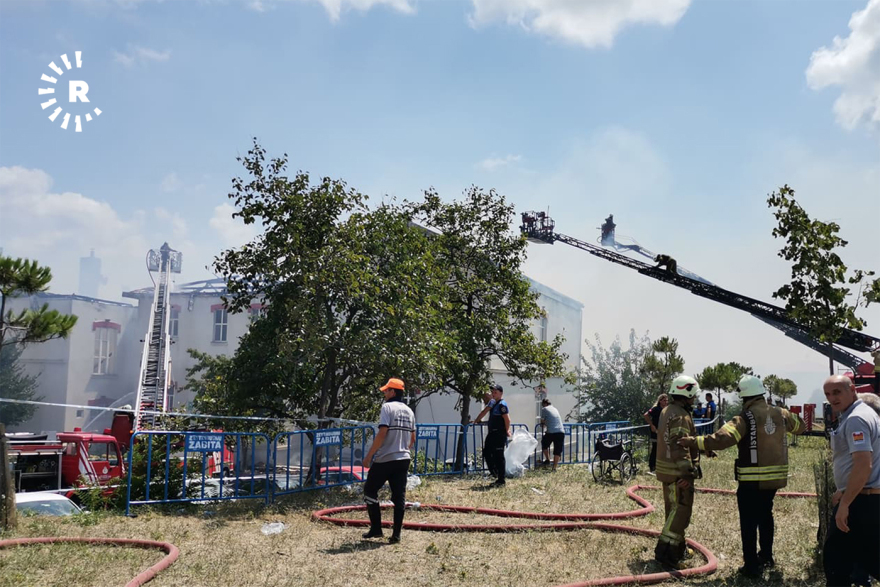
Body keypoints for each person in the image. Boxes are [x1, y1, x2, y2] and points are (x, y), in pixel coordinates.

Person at [679, 375, 806, 578]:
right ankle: (766, 556)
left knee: (748, 523)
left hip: (751, 481)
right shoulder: (781, 413)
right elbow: (801, 427)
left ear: (745, 397)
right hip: (774, 480)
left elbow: (721, 439)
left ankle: (751, 567)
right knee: (766, 515)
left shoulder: (744, 418)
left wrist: (693, 442)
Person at [822, 375, 880, 587]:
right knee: (858, 558)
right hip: (862, 496)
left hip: (861, 502)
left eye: (837, 392)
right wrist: (845, 490)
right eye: (828, 394)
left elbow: (864, 464)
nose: (832, 398)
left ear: (852, 389)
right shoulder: (862, 414)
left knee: (837, 560)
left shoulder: (856, 419)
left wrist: (845, 503)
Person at [362, 377, 416, 544]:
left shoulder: (387, 408)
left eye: (386, 390)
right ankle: (396, 535)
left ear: (393, 392)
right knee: (399, 496)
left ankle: (376, 529)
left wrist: (370, 455)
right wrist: (403, 449)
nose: (384, 393)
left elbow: (382, 432)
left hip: (385, 458)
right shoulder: (409, 411)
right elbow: (412, 438)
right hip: (403, 458)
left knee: (369, 491)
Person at [654, 375, 700, 569]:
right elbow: (679, 445)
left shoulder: (668, 410)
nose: (694, 399)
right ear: (686, 393)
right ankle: (666, 554)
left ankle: (679, 548)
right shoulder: (680, 415)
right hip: (677, 473)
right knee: (680, 511)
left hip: (667, 471)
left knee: (673, 511)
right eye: (693, 395)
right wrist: (687, 473)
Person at [473, 383, 511, 486]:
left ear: (501, 393)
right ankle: (495, 473)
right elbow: (484, 412)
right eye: (492, 392)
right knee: (487, 452)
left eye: (495, 392)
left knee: (499, 456)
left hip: (499, 433)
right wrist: (476, 421)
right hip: (492, 433)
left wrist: (507, 430)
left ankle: (501, 480)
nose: (493, 394)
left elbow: (507, 419)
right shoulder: (492, 403)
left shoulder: (502, 404)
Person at [643, 394, 668, 474]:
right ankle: (652, 467)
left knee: (663, 449)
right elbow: (646, 415)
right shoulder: (655, 409)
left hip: (664, 432)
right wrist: (651, 425)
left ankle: (661, 466)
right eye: (664, 400)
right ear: (660, 401)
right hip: (656, 432)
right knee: (655, 449)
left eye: (667, 400)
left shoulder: (666, 409)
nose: (666, 402)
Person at [540, 399, 565, 471]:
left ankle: (547, 460)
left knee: (544, 443)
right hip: (560, 431)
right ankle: (554, 468)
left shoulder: (544, 409)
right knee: (557, 450)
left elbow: (542, 421)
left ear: (544, 404)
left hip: (551, 431)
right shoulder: (555, 409)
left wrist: (543, 424)